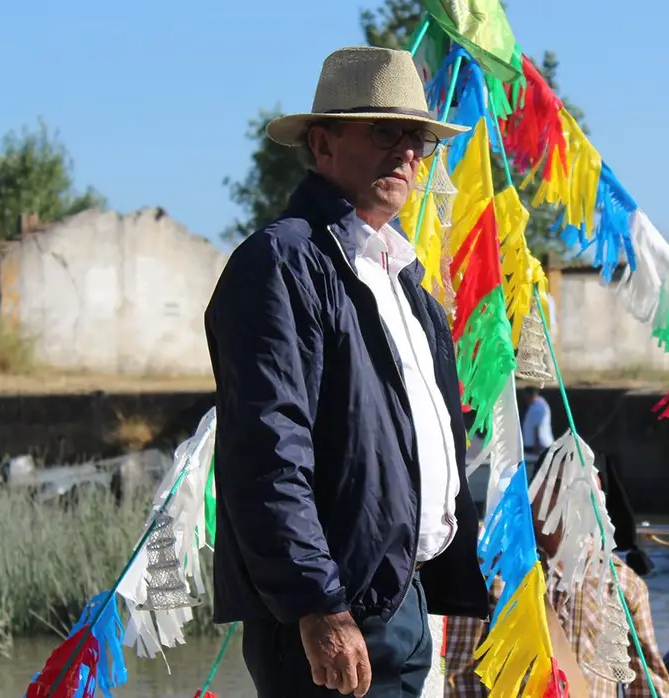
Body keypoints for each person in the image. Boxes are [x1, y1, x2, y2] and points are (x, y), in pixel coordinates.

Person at [205, 46, 489, 697]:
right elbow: (268, 449)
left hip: (401, 602)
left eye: (415, 138)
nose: (405, 153)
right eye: (383, 132)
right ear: (323, 144)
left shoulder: (404, 281)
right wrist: (318, 605)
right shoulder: (282, 264)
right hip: (330, 616)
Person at [443, 457, 669, 698]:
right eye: (557, 488)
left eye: (584, 492)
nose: (569, 502)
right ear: (532, 495)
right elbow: (454, 674)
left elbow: (646, 683)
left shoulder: (624, 585)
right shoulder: (491, 572)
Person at [522, 386, 554, 464]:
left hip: (539, 446)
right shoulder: (534, 405)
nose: (524, 399)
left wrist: (536, 447)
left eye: (525, 396)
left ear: (529, 395)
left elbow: (537, 427)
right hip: (536, 445)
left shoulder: (538, 406)